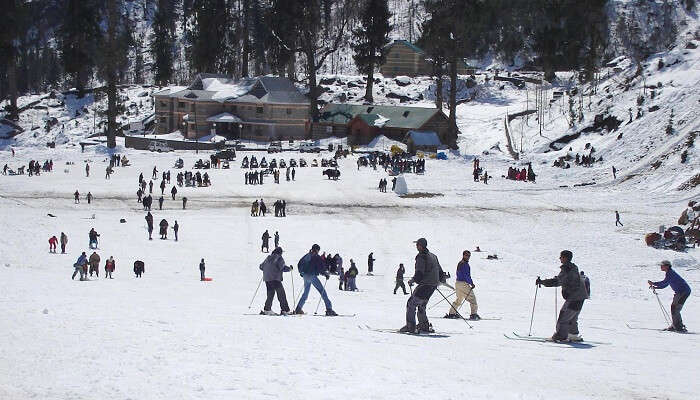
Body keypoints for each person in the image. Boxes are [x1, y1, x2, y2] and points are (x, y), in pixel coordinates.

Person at [536, 250, 589, 342]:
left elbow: (558, 281)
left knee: (564, 316)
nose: (559, 258)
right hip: (580, 296)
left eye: (561, 257)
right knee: (572, 316)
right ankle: (573, 335)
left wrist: (542, 282)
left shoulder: (567, 269)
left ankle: (560, 336)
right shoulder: (573, 267)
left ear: (565, 258)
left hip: (574, 297)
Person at [400, 238, 445, 333]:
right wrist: (439, 281)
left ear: (421, 246)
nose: (416, 246)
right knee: (422, 305)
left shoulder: (421, 256)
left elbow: (419, 273)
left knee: (411, 304)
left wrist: (413, 280)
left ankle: (410, 326)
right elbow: (441, 272)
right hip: (433, 285)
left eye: (417, 245)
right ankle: (424, 326)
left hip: (425, 285)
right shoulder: (434, 256)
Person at [648, 260, 691, 332]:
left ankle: (678, 327)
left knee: (675, 308)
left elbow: (664, 282)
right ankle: (676, 325)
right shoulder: (669, 273)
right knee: (674, 308)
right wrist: (656, 287)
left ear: (667, 266)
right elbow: (665, 284)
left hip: (683, 292)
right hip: (681, 292)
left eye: (662, 265)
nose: (661, 266)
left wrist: (653, 283)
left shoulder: (670, 273)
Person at [294, 244, 337, 316]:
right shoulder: (316, 257)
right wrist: (325, 274)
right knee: (322, 291)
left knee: (305, 293)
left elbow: (299, 263)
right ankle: (329, 309)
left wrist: (302, 273)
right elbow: (321, 267)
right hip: (312, 276)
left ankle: (298, 308)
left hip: (305, 276)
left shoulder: (307, 255)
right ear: (317, 250)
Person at [445, 250, 480, 320]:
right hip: (463, 283)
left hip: (458, 283)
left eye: (469, 256)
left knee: (459, 299)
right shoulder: (465, 264)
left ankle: (452, 313)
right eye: (467, 255)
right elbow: (466, 275)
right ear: (463, 255)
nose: (468, 257)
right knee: (473, 299)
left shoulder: (460, 263)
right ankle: (473, 314)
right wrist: (471, 283)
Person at [259, 247, 292, 315]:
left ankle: (267, 309)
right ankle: (285, 310)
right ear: (280, 252)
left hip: (267, 278)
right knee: (281, 294)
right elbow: (282, 267)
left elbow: (261, 267)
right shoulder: (279, 258)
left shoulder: (268, 258)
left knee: (270, 294)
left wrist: (268, 270)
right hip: (275, 278)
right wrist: (290, 269)